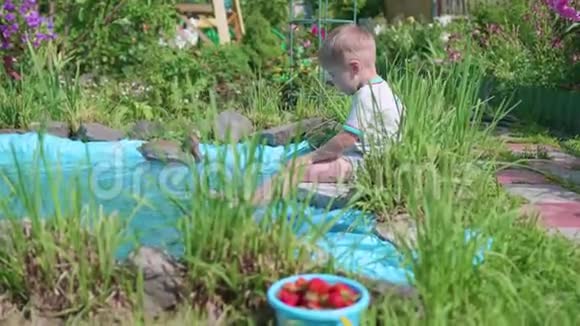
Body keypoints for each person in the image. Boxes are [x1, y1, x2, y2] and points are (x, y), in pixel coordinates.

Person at [251, 24, 405, 205]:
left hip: (361, 166)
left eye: (334, 75)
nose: (333, 82)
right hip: (375, 160)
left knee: (292, 170)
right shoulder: (383, 89)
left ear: (354, 68)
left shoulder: (366, 96)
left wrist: (309, 158)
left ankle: (247, 205)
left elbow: (345, 140)